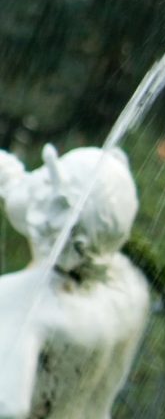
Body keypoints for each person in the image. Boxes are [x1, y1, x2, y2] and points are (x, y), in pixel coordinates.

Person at [0, 146, 150, 419]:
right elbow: (31, 204)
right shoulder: (127, 290)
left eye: (47, 177)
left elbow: (7, 407)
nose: (38, 178)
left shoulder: (22, 303)